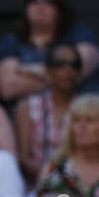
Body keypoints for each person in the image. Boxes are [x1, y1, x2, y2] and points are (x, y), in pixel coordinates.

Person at [0, 0, 99, 102]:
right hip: (26, 116)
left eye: (48, 0)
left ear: (60, 8)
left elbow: (82, 67)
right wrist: (61, 78)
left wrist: (29, 70)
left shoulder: (78, 33)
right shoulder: (11, 41)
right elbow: (9, 88)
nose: (40, 4)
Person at [15, 42, 81, 187]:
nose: (67, 70)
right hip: (38, 184)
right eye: (60, 64)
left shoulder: (88, 108)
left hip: (81, 185)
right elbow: (23, 158)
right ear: (48, 70)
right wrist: (53, 177)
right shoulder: (28, 106)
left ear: (80, 72)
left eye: (74, 65)